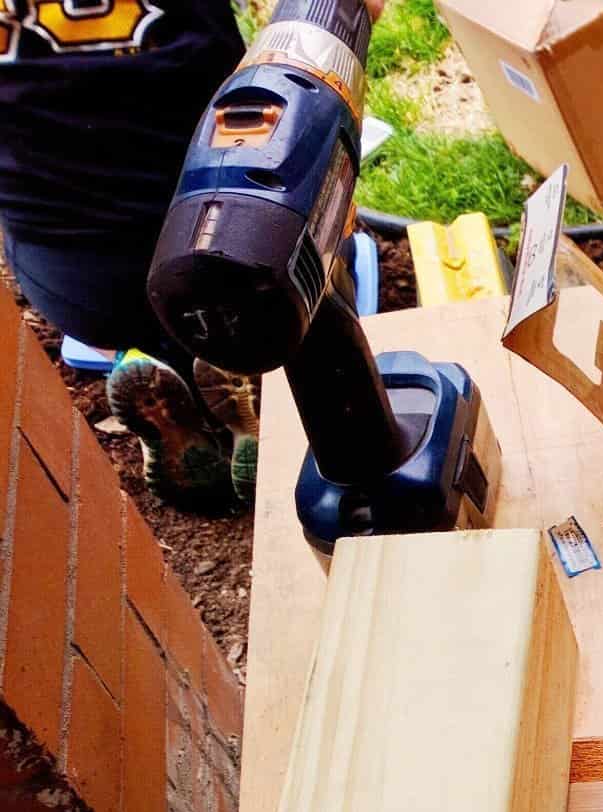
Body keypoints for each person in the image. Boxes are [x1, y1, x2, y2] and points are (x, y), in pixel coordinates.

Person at [0, 0, 380, 513]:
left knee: (164, 311)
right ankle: (254, 398)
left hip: (69, 268)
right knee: (317, 254)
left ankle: (162, 365)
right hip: (228, 219)